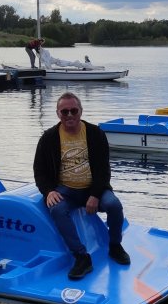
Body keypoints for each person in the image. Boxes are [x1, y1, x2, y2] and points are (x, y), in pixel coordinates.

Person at [34, 92, 131, 280]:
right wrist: (48, 191)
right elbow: (39, 170)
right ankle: (81, 256)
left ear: (80, 111)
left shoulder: (95, 133)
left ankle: (115, 245)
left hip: (94, 188)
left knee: (114, 205)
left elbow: (104, 170)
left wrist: (95, 195)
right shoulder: (49, 138)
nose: (69, 115)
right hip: (66, 190)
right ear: (58, 114)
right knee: (56, 209)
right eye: (64, 112)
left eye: (73, 110)